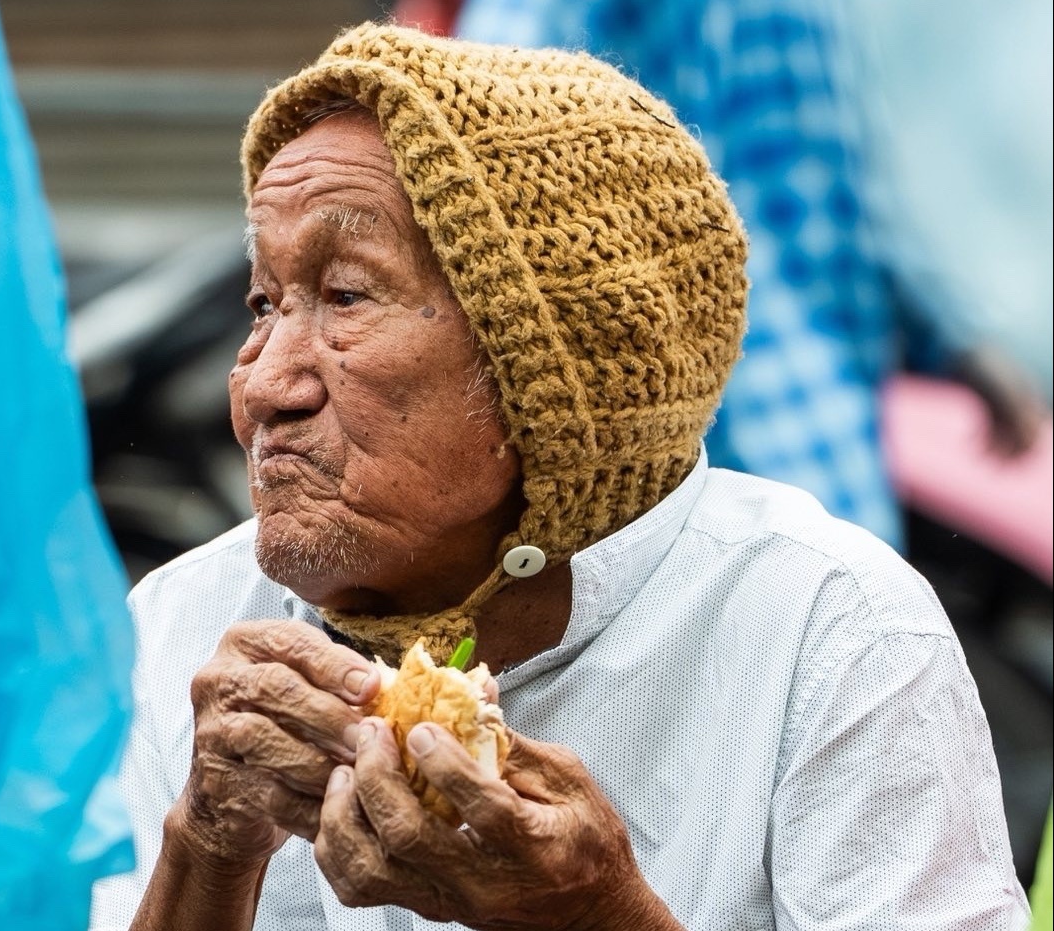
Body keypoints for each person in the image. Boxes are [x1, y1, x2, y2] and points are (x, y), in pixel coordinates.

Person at [88, 22, 1030, 930]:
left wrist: (595, 917)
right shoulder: (179, 627)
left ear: (559, 374)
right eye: (264, 300)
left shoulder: (827, 634)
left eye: (344, 296)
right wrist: (206, 848)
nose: (261, 383)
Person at [445, 0, 1046, 552]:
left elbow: (836, 191)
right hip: (680, 421)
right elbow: (485, 106)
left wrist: (953, 339)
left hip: (823, 414)